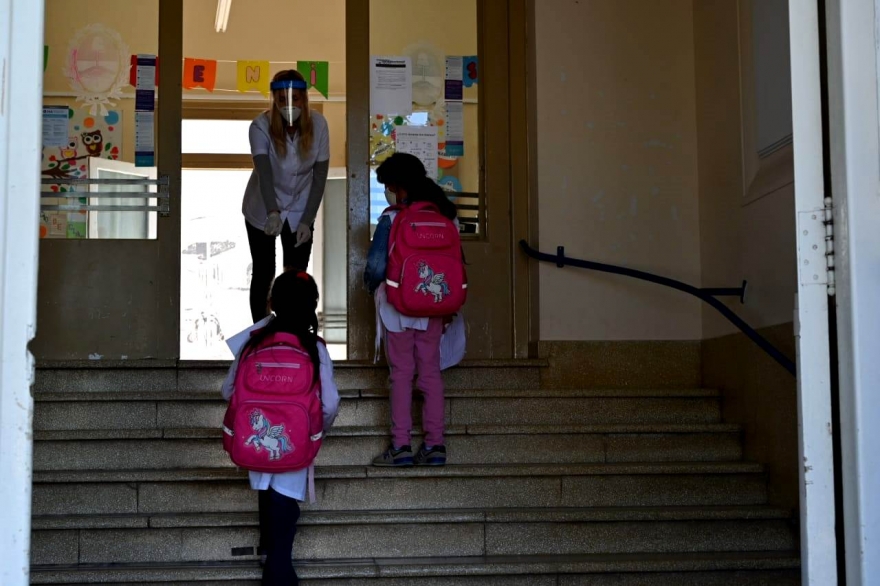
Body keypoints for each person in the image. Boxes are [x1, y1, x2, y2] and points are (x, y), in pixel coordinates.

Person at [221, 270, 340, 585]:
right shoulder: (314, 348)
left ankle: (269, 554)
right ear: (312, 305)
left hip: (254, 439)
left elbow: (227, 390)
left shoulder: (253, 344)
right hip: (295, 440)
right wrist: (317, 430)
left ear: (272, 302)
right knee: (285, 500)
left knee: (266, 488)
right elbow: (330, 403)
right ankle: (279, 568)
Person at [364, 153, 462, 467]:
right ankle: (435, 446)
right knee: (430, 374)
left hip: (398, 308)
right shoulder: (446, 215)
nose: (388, 192)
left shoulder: (392, 218)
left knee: (402, 375)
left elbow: (376, 267)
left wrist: (373, 288)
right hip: (434, 307)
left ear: (397, 185)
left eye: (389, 186)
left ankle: (401, 446)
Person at [242, 69, 330, 323]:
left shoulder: (319, 125)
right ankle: (261, 328)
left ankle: (295, 326)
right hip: (262, 206)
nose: (289, 105)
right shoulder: (260, 126)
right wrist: (272, 211)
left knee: (296, 272)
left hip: (301, 204)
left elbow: (320, 176)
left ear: (304, 99)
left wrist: (307, 220)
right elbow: (264, 172)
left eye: (295, 99)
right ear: (274, 100)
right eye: (281, 99)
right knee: (264, 270)